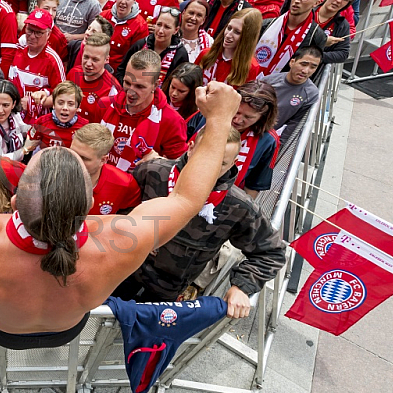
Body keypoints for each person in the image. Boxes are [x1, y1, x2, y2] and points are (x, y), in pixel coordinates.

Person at [0, 60, 243, 348]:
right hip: (68, 327)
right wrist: (221, 120)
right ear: (90, 201)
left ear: (16, 201)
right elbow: (189, 198)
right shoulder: (120, 240)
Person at [112, 127, 286, 312]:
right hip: (122, 272)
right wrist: (136, 231)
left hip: (164, 297)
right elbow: (114, 209)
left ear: (234, 163)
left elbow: (271, 253)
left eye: (221, 163)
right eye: (205, 156)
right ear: (191, 147)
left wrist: (242, 287)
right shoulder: (153, 172)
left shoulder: (238, 206)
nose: (209, 168)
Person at [188, 80, 279, 197]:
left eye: (248, 117)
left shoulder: (268, 141)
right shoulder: (208, 113)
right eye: (237, 112)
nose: (238, 120)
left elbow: (253, 186)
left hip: (223, 200)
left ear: (263, 117)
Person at [100, 49, 188, 172]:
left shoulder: (172, 121)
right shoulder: (105, 105)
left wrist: (159, 161)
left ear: (156, 84)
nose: (131, 91)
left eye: (139, 86)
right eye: (127, 83)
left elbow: (181, 168)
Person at [256, 0, 328, 77]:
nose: (297, 0)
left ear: (317, 3)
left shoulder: (316, 36)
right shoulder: (266, 24)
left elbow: (309, 73)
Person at [69, 124, 142, 215]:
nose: (74, 160)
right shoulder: (52, 174)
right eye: (72, 153)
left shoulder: (125, 184)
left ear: (103, 160)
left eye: (84, 158)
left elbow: (131, 220)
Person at [8, 8, 66, 122]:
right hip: (11, 116)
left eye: (38, 33)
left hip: (37, 123)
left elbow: (62, 95)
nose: (32, 36)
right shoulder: (16, 51)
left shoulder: (53, 60)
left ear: (48, 34)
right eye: (29, 30)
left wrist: (34, 103)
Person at [262, 46, 321, 142]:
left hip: (268, 138)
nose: (305, 70)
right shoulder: (268, 81)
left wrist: (279, 144)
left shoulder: (311, 93)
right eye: (303, 64)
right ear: (292, 62)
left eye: (312, 67)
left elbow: (295, 123)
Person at [199, 8, 262, 86]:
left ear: (247, 37)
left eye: (237, 32)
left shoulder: (251, 67)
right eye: (229, 28)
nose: (228, 35)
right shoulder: (206, 54)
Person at [66, 33, 120, 123]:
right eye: (86, 57)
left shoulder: (112, 89)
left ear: (106, 60)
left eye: (95, 60)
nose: (88, 63)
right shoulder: (73, 73)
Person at [101, 0, 149, 78]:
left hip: (119, 76)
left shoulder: (140, 26)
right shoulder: (103, 16)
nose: (123, 2)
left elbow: (135, 61)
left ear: (135, 0)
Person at [125, 8, 189, 82]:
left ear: (176, 30)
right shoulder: (141, 44)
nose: (161, 31)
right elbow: (122, 69)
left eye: (167, 27)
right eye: (159, 25)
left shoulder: (180, 54)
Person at [25, 81, 88, 150]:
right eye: (60, 103)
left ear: (78, 107)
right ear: (53, 105)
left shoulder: (84, 128)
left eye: (70, 104)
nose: (65, 108)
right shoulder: (41, 122)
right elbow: (27, 147)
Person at [314, 0, 356, 66]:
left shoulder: (342, 25)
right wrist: (322, 41)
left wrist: (315, 57)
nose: (339, 1)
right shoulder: (307, 11)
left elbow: (343, 54)